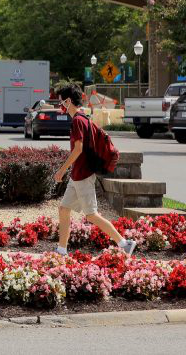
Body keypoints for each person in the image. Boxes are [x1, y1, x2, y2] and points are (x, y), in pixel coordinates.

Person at [54, 84, 136, 257]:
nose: (60, 104)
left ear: (69, 101)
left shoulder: (78, 120)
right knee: (64, 209)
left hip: (83, 175)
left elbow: (78, 149)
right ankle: (61, 250)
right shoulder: (82, 118)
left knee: (91, 215)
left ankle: (124, 243)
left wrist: (61, 170)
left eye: (62, 101)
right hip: (77, 175)